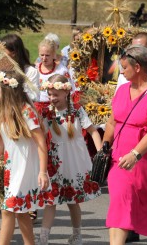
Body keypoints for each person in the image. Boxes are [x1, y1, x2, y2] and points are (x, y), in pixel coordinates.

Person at [103, 45, 147, 245]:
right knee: (120, 201)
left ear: (137, 68)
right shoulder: (123, 89)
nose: (121, 71)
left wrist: (135, 154)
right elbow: (112, 121)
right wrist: (104, 145)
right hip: (120, 158)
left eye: (124, 67)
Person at [0, 70, 50, 245]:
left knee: (8, 209)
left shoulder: (26, 111)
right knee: (20, 211)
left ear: (7, 89)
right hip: (13, 168)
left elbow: (41, 142)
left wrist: (43, 172)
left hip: (26, 167)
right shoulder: (2, 110)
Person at [37, 74, 103, 245]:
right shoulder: (47, 113)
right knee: (51, 200)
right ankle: (43, 239)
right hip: (55, 161)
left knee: (73, 201)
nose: (52, 98)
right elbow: (40, 135)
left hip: (74, 161)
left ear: (66, 93)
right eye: (49, 94)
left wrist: (101, 155)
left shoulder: (77, 110)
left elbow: (93, 131)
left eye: (55, 95)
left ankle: (77, 235)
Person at [1, 33, 41, 222]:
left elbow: (34, 95)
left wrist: (13, 91)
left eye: (5, 52)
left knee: (26, 158)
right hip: (8, 116)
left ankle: (27, 198)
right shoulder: (2, 71)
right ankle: (20, 203)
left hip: (25, 117)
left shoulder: (30, 71)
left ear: (15, 52)